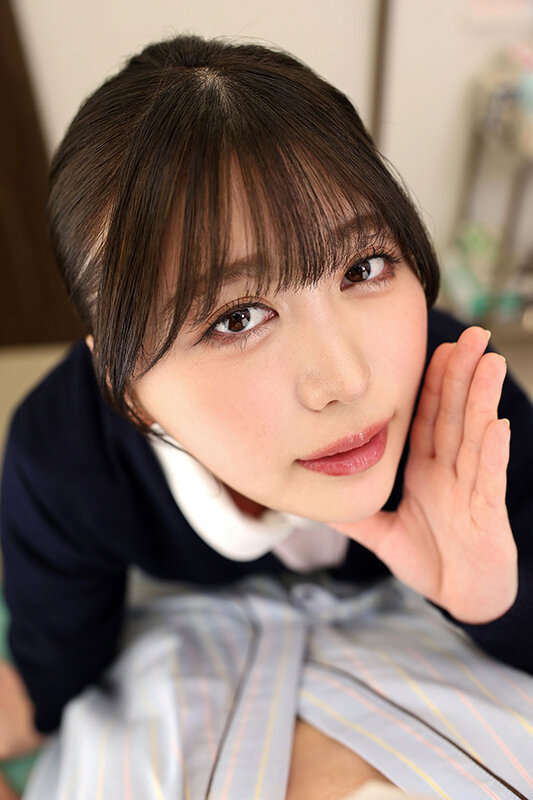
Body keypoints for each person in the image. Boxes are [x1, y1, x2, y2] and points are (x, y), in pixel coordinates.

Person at [0, 33, 532, 800]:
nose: (346, 380)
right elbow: (53, 667)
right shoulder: (64, 457)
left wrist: (492, 601)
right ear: (124, 385)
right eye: (236, 318)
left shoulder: (457, 391)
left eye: (363, 266)